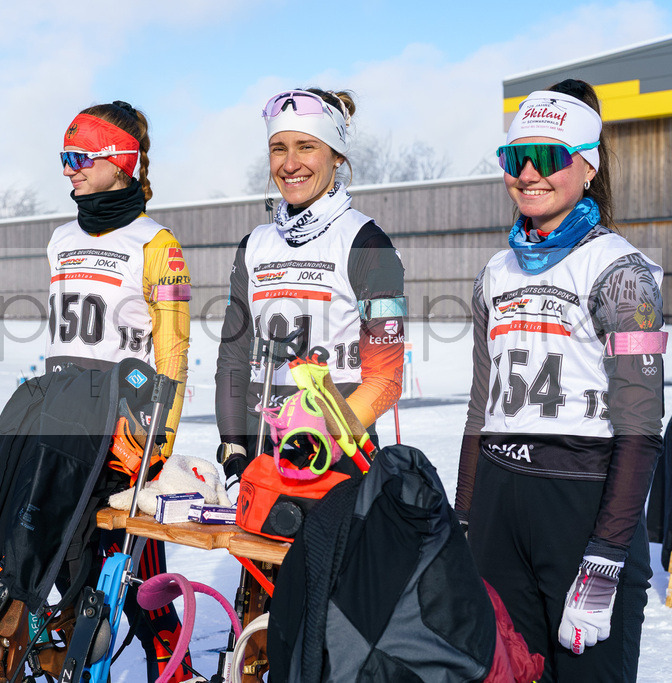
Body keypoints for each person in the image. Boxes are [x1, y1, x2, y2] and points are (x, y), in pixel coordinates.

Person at [455, 80, 664, 682]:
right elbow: (479, 407)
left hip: (581, 505)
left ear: (587, 165)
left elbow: (641, 430)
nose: (527, 171)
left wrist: (605, 553)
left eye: (547, 156)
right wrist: (466, 521)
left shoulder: (621, 273)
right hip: (500, 497)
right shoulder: (494, 272)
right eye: (513, 157)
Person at [46, 101, 194, 682]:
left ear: (121, 161)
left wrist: (157, 439)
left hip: (123, 431)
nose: (69, 170)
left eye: (80, 157)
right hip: (61, 423)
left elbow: (174, 350)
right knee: (69, 566)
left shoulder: (157, 243)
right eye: (65, 158)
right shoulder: (59, 238)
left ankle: (174, 669)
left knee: (136, 576)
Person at [215, 88, 405, 477]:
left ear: (337, 156)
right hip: (262, 458)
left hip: (337, 458)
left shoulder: (367, 242)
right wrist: (234, 447)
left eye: (306, 147)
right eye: (278, 148)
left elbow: (385, 378)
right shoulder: (254, 245)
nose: (290, 164)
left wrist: (323, 436)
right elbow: (233, 358)